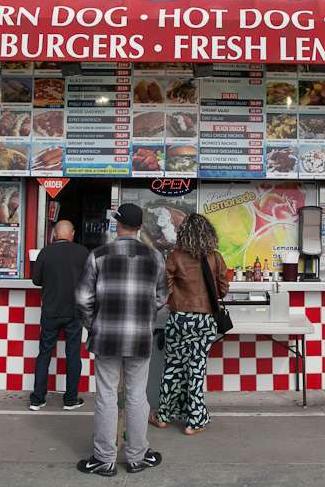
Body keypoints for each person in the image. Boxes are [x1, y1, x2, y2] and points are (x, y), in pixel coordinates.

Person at [75, 203, 166, 477]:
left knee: (106, 395)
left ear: (118, 224)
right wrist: (143, 320)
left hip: (106, 338)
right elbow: (161, 297)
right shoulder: (155, 257)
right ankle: (137, 457)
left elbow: (82, 299)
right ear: (139, 227)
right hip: (139, 338)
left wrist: (95, 325)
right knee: (138, 396)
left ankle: (105, 460)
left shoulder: (98, 255)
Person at [150, 213, 229, 435]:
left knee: (173, 367)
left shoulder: (175, 256)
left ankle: (164, 416)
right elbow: (223, 289)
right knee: (196, 369)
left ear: (183, 233)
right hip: (205, 320)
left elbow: (165, 287)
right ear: (209, 234)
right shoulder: (215, 257)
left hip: (179, 318)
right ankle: (194, 420)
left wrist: (176, 298)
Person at [29, 220, 89, 412]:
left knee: (44, 352)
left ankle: (37, 399)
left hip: (50, 311)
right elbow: (90, 281)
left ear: (55, 234)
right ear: (71, 233)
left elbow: (36, 280)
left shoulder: (45, 252)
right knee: (73, 354)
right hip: (74, 311)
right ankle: (70, 399)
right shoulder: (82, 252)